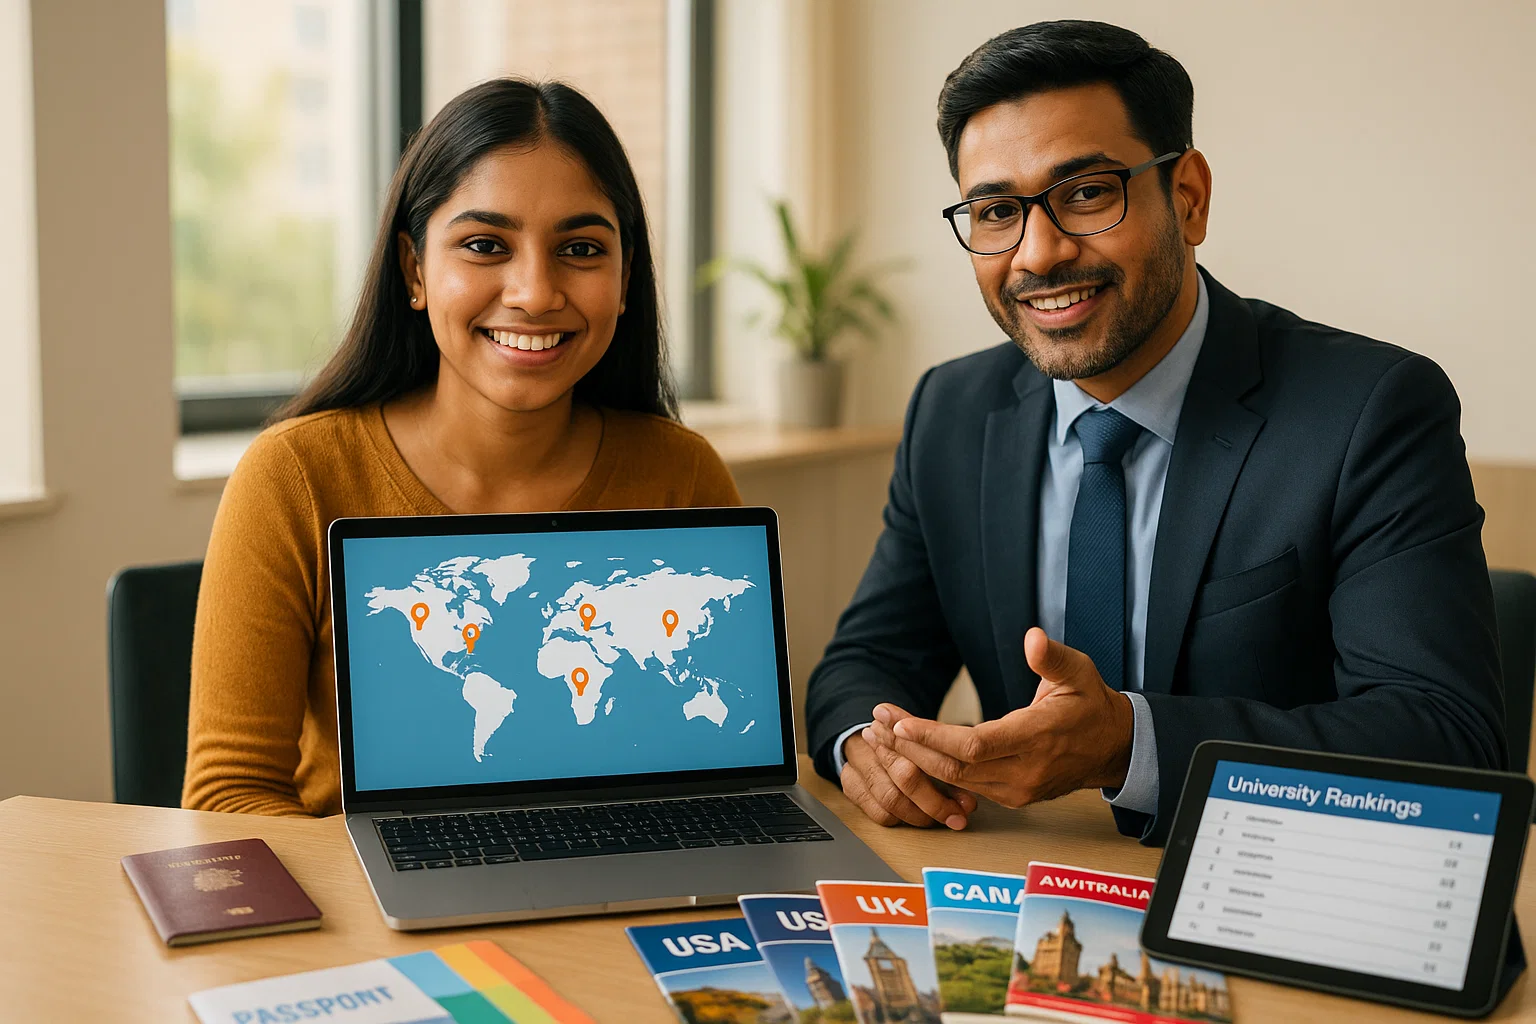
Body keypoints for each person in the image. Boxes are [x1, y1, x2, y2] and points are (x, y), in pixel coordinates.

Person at [805, 20, 1505, 846]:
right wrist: (869, 749)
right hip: (1023, 891)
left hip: (1269, 889)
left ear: (1189, 196)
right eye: (996, 211)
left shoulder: (1370, 410)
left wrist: (1130, 745)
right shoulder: (952, 411)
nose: (1040, 253)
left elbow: (1446, 741)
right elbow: (860, 668)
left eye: (1088, 193)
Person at [183, 79, 740, 816]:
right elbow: (231, 793)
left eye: (580, 248)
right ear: (415, 270)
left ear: (625, 276)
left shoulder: (683, 473)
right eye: (485, 245)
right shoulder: (294, 476)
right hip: (367, 915)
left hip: (627, 903)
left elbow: (730, 760)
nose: (535, 292)